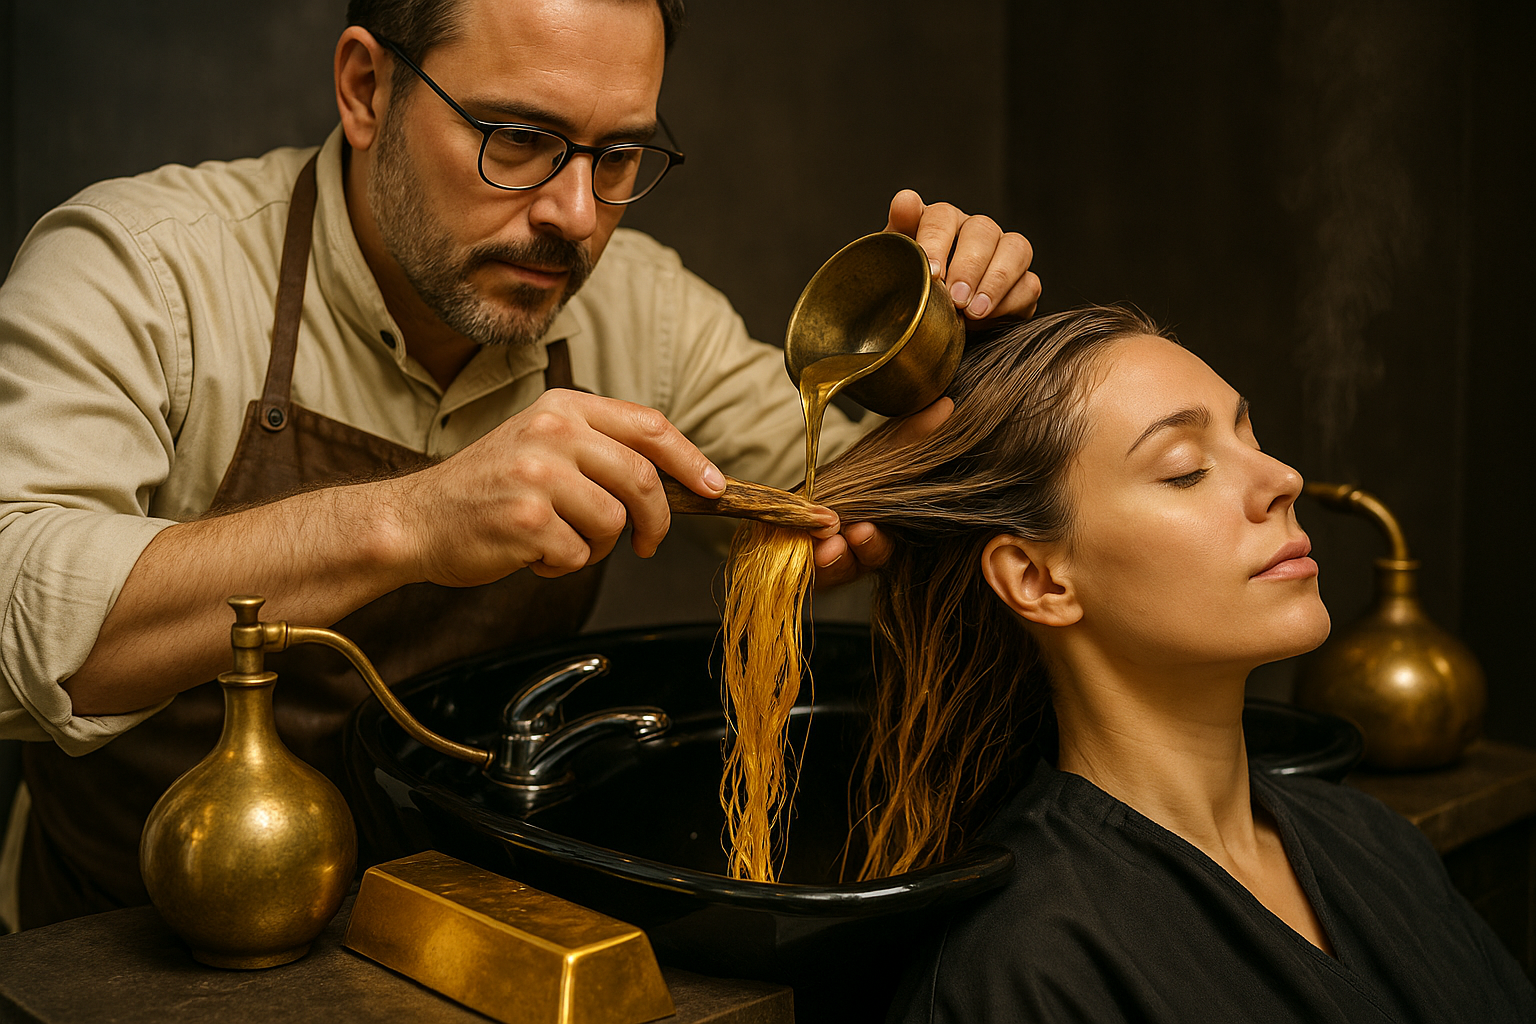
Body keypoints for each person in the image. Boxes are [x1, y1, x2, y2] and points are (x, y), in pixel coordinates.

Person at [0, 0, 1041, 929]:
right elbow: (12, 610)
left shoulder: (644, 313)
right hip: (122, 939)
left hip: (467, 929)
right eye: (519, 139)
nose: (576, 216)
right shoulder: (145, 270)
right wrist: (411, 520)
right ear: (366, 89)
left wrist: (972, 363)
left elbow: (849, 496)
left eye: (618, 156)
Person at [762, 307, 1534, 1021]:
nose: (1283, 479)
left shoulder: (1372, 840)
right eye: (1185, 468)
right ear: (1039, 580)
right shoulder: (1027, 965)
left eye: (1251, 438)